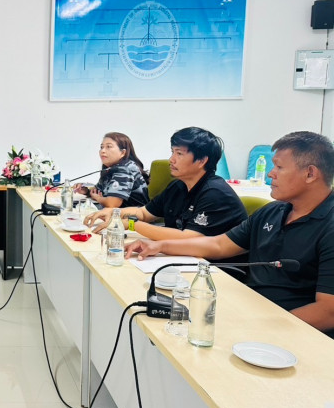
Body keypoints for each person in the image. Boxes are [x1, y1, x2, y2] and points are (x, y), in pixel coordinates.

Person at [127, 131, 334, 338]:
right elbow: (219, 245)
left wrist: (259, 330)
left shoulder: (329, 225)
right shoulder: (273, 211)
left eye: (279, 167)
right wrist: (160, 246)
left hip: (289, 331)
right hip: (247, 309)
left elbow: (327, 312)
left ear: (310, 174)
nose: (271, 174)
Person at [85, 127, 246, 240]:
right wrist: (114, 213)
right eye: (172, 152)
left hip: (216, 269)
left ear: (202, 161)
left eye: (179, 154)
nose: (171, 159)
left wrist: (132, 225)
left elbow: (188, 238)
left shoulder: (215, 193)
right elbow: (144, 213)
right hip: (183, 258)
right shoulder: (178, 186)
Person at [76, 132, 149, 208]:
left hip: (133, 215)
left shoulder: (124, 169)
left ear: (123, 152)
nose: (103, 151)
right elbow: (98, 191)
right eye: (101, 147)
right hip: (118, 213)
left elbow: (112, 204)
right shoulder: (111, 168)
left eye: (109, 147)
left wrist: (98, 198)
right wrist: (86, 191)